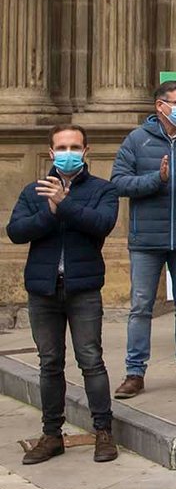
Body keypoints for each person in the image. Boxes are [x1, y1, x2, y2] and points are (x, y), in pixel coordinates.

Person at [7, 124, 120, 465]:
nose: (68, 153)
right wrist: (50, 210)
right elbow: (16, 231)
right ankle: (51, 434)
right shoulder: (33, 191)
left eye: (75, 147)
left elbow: (102, 224)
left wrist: (66, 204)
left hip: (83, 288)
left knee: (91, 360)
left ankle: (103, 431)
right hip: (43, 289)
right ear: (51, 151)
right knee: (50, 363)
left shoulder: (103, 189)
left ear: (86, 152)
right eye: (62, 147)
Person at [110, 79, 176, 399]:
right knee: (141, 306)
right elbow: (119, 182)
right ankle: (134, 373)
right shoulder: (137, 139)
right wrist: (159, 178)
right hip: (146, 240)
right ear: (161, 106)